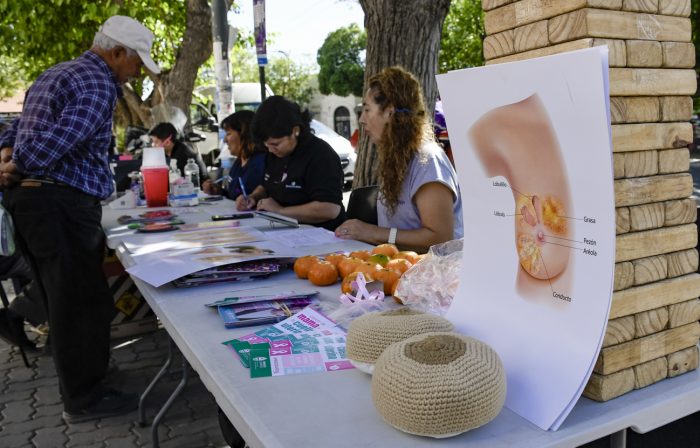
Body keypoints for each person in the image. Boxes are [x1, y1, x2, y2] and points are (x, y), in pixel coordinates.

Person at [0, 15, 160, 423]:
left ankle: (90, 379)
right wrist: (19, 161)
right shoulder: (97, 83)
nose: (137, 71)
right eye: (136, 62)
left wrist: (8, 156)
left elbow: (15, 131)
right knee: (79, 304)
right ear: (116, 52)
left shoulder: (58, 73)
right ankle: (85, 397)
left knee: (71, 300)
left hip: (39, 203)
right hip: (58, 203)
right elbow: (44, 145)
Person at [335, 66, 463, 253]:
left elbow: (440, 237)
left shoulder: (428, 161)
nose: (362, 120)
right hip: (404, 270)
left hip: (439, 275)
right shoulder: (397, 156)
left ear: (389, 112)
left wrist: (372, 232)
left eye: (367, 110)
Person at [239, 96, 346, 231]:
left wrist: (281, 211)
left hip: (322, 235)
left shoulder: (320, 155)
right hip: (283, 232)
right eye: (266, 145)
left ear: (295, 130)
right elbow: (268, 185)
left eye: (275, 144)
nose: (271, 150)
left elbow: (330, 209)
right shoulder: (274, 154)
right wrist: (253, 197)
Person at [202, 110, 265, 200]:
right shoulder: (239, 161)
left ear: (244, 134)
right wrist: (218, 191)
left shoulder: (261, 163)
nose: (224, 140)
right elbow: (235, 197)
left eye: (228, 134)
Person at [148, 122, 208, 186]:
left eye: (156, 142)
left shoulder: (182, 154)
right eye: (153, 142)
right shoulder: (171, 151)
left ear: (168, 142)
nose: (153, 145)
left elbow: (171, 184)